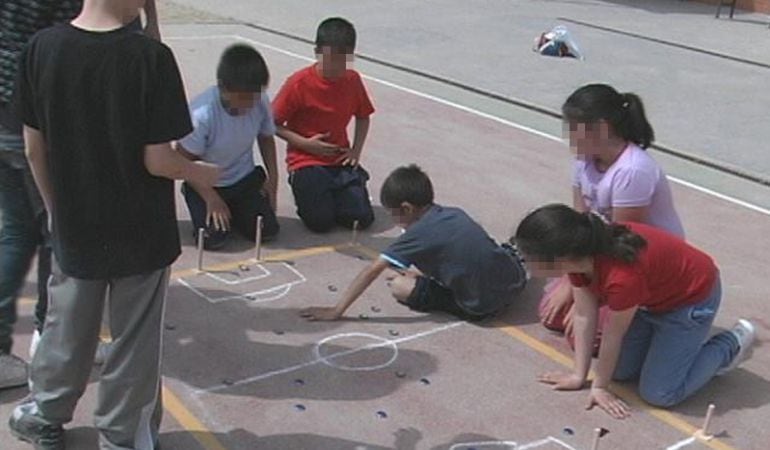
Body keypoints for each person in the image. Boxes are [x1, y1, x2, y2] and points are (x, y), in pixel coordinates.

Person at [8, 1, 219, 448]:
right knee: (134, 342)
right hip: (140, 233)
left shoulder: (41, 48)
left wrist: (54, 212)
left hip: (74, 223)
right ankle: (123, 435)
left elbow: (33, 149)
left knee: (67, 326)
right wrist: (200, 174)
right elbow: (158, 158)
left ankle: (45, 413)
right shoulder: (150, 57)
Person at [513, 204, 755, 418]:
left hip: (690, 301)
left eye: (530, 258)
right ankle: (663, 343)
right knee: (619, 372)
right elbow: (584, 315)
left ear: (561, 258)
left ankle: (731, 342)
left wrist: (599, 387)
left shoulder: (621, 276)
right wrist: (579, 375)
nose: (527, 264)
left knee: (660, 393)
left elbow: (612, 335)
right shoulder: (581, 257)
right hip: (650, 300)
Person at [540, 84, 684, 352]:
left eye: (574, 128)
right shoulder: (584, 160)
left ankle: (646, 318)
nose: (568, 135)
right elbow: (579, 224)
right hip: (605, 251)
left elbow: (626, 241)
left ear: (602, 128)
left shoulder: (632, 171)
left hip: (638, 259)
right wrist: (573, 283)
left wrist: (588, 299)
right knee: (552, 313)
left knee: (588, 337)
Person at [301, 165, 527, 321]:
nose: (394, 221)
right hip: (515, 280)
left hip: (482, 306)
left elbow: (372, 270)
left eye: (393, 215)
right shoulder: (453, 213)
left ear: (407, 209)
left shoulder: (416, 234)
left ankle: (461, 298)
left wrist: (337, 310)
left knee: (399, 286)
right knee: (415, 267)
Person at [0, 0, 82, 391]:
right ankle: (49, 339)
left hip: (4, 107)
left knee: (16, 233)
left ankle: (2, 352)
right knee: (53, 231)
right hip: (31, 114)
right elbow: (72, 36)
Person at [272, 17, 376, 233]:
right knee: (320, 223)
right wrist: (305, 143)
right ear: (317, 52)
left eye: (343, 60)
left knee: (361, 219)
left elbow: (364, 115)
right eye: (330, 60)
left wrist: (356, 151)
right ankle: (309, 193)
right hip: (306, 161)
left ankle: (347, 187)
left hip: (339, 158)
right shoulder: (299, 83)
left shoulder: (352, 80)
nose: (336, 67)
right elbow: (271, 123)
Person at [177, 44, 279, 250]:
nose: (249, 104)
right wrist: (211, 197)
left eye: (254, 96)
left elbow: (266, 137)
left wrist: (273, 179)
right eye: (243, 98)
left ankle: (238, 210)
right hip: (206, 183)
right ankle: (210, 208)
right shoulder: (201, 115)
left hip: (243, 179)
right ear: (223, 88)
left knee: (267, 231)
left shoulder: (260, 102)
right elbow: (180, 161)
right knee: (213, 239)